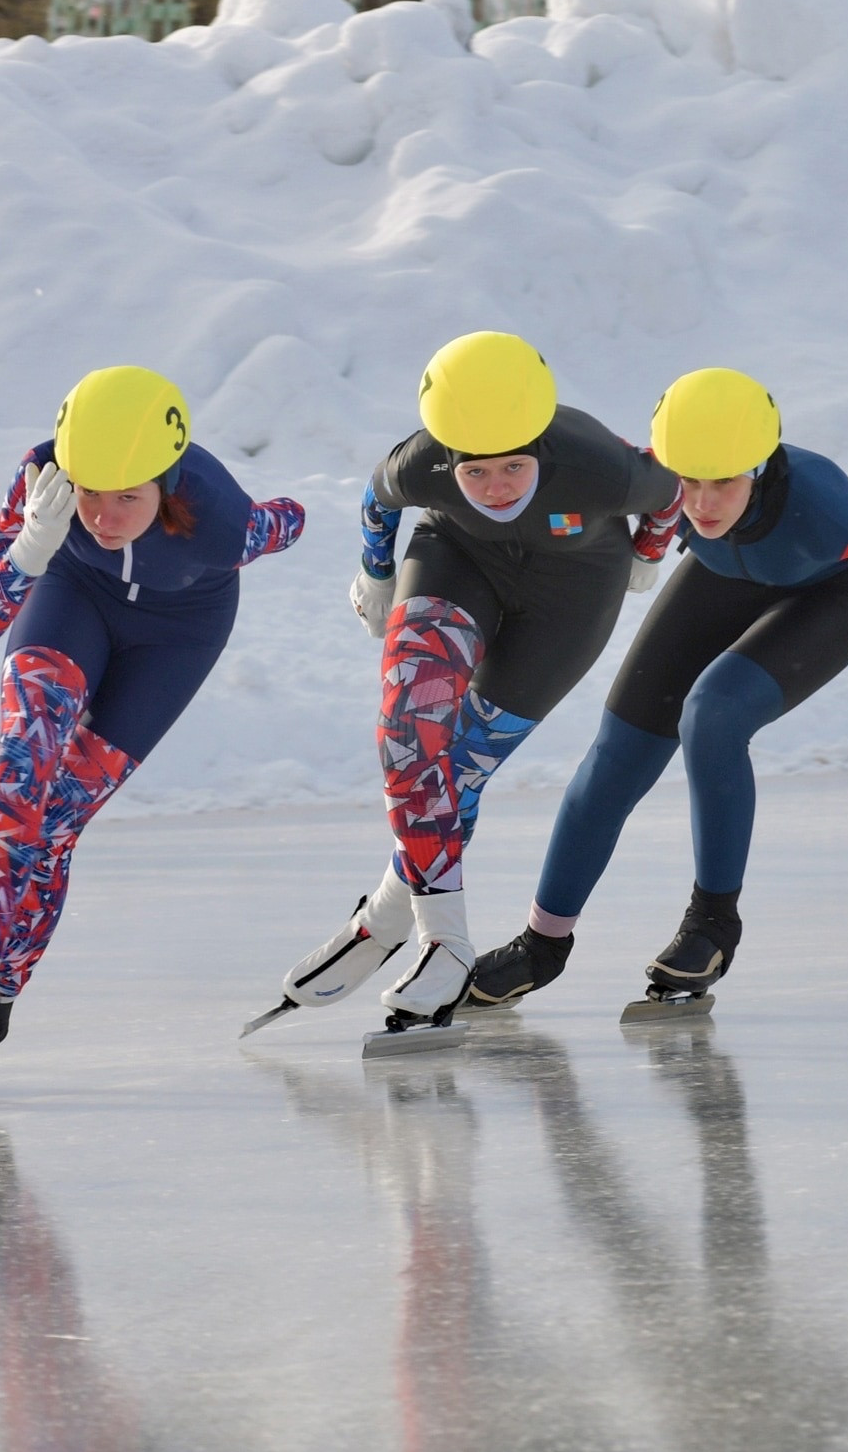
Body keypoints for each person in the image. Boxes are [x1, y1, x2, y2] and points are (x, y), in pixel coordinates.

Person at [0, 368, 305, 1090]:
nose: (101, 512)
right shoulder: (44, 473)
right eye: (89, 488)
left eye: (128, 496)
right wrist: (31, 545)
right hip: (70, 597)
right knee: (19, 772)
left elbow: (289, 518)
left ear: (168, 482)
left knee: (57, 820)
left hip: (177, 632)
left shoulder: (220, 517)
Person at [467, 368, 848, 1009]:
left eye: (724, 482)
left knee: (711, 715)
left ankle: (713, 924)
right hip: (722, 574)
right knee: (617, 750)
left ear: (761, 468)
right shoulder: (665, 484)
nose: (702, 503)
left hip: (829, 592)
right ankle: (541, 945)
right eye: (688, 481)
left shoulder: (824, 514)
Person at [271, 333, 681, 1033]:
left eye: (515, 469)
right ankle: (446, 941)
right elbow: (378, 501)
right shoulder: (423, 461)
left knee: (457, 771)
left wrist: (646, 554)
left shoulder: (596, 465)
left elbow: (669, 492)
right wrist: (375, 573)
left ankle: (385, 915)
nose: (497, 488)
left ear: (541, 451)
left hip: (573, 596)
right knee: (408, 737)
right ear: (448, 460)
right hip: (458, 562)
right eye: (477, 474)